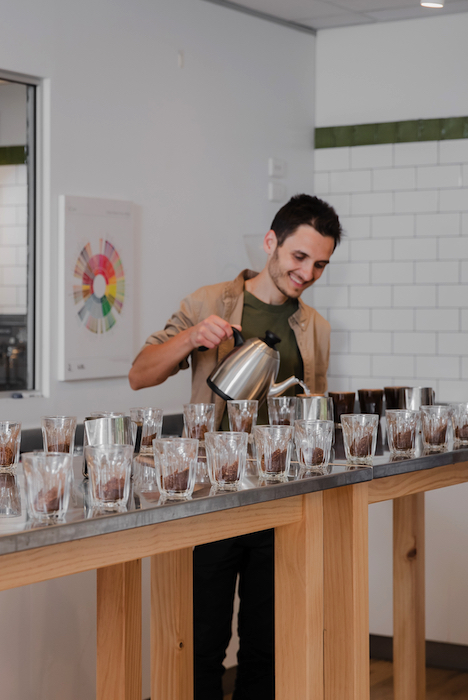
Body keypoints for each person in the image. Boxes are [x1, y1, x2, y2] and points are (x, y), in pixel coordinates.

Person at [129, 194, 341, 699]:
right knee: (201, 644)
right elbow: (140, 374)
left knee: (266, 648)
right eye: (299, 257)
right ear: (272, 242)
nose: (308, 272)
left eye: (320, 264)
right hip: (211, 498)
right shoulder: (208, 303)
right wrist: (191, 339)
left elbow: (317, 408)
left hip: (280, 501)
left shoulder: (315, 329)